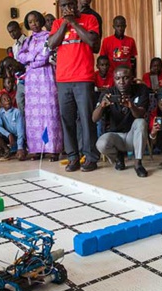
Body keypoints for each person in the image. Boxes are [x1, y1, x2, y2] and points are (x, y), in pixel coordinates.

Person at [48, 0, 100, 172]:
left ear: (77, 4)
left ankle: (91, 157)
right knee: (67, 120)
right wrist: (64, 23)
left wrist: (73, 23)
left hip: (84, 78)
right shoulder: (56, 23)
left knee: (86, 119)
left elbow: (92, 43)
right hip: (63, 79)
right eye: (62, 6)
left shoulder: (90, 19)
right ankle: (73, 157)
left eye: (69, 4)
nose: (66, 8)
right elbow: (51, 44)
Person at [18, 11, 63, 162]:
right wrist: (31, 59)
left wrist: (31, 61)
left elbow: (45, 56)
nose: (34, 24)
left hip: (46, 77)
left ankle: (53, 149)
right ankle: (36, 149)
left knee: (49, 112)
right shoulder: (28, 40)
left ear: (41, 21)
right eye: (31, 22)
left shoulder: (48, 36)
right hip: (32, 81)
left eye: (36, 21)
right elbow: (20, 56)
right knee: (33, 115)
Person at [93, 65, 149, 177]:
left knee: (141, 122)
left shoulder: (141, 89)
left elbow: (140, 114)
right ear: (113, 79)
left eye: (125, 78)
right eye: (117, 78)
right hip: (116, 137)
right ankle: (118, 158)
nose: (121, 82)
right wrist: (102, 106)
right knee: (101, 144)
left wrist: (131, 106)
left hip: (133, 137)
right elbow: (94, 119)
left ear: (132, 78)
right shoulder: (108, 93)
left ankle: (138, 163)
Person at [0, 92, 26, 161]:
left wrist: (20, 147)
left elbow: (20, 132)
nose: (7, 100)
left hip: (17, 138)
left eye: (8, 99)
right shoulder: (1, 112)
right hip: (8, 138)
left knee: (20, 157)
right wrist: (8, 134)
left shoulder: (17, 112)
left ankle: (19, 149)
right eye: (4, 100)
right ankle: (7, 150)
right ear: (1, 104)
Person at [6, 21, 27, 118]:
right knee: (20, 103)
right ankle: (24, 128)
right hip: (19, 79)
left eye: (14, 31)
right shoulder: (14, 46)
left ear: (19, 29)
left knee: (30, 104)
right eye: (10, 32)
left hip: (28, 77)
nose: (12, 34)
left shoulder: (28, 41)